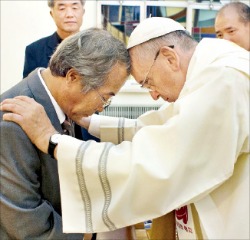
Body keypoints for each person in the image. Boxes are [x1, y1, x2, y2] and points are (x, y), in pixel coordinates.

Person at [1, 17, 249, 239]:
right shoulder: (211, 70)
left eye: (148, 81)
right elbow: (159, 129)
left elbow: (158, 160)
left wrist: (52, 140)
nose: (153, 96)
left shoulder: (224, 78)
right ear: (74, 77)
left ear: (170, 58)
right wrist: (89, 121)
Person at [0, 28, 130, 240]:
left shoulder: (66, 104)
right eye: (105, 98)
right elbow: (25, 223)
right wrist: (87, 234)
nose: (101, 109)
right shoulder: (12, 121)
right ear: (73, 76)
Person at [23, 0, 85, 78]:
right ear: (52, 14)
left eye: (74, 8)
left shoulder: (98, 48)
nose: (69, 14)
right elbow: (29, 89)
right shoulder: (35, 50)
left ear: (83, 12)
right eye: (62, 8)